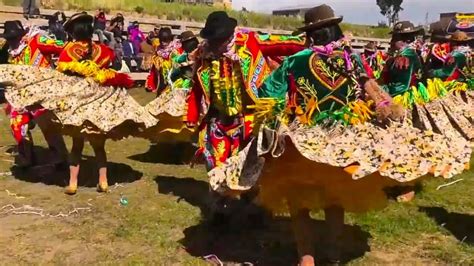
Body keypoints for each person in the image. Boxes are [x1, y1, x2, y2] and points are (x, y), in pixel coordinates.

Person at [204, 5, 472, 266]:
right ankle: (332, 251)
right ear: (335, 30)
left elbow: (266, 93)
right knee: (335, 198)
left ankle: (306, 258)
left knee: (299, 204)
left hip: (304, 142)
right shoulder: (351, 59)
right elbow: (374, 92)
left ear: (311, 34)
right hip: (344, 141)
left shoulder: (297, 61)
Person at [57, 12, 123, 195]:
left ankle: (72, 183)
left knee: (77, 145)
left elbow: (62, 72)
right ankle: (103, 181)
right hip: (98, 100)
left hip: (78, 101)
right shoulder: (102, 49)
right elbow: (111, 65)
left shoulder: (70, 49)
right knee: (99, 145)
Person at [2, 20, 68, 168]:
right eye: (9, 39)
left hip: (42, 94)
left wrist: (59, 71)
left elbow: (63, 48)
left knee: (47, 124)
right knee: (17, 124)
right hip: (22, 96)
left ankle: (60, 156)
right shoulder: (11, 53)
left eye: (14, 38)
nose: (12, 41)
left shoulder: (37, 40)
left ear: (22, 34)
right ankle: (27, 158)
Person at [146, 27, 180, 94]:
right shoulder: (158, 52)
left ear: (170, 39)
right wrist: (152, 84)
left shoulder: (176, 51)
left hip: (174, 83)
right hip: (161, 82)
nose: (163, 43)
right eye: (161, 41)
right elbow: (154, 71)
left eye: (165, 40)